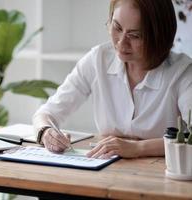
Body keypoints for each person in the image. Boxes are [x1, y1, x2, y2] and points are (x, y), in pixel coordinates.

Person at [33, 0, 192, 159]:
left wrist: (138, 148)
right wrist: (46, 132)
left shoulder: (182, 72)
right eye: (117, 27)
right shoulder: (98, 60)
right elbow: (46, 113)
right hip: (106, 169)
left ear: (159, 36)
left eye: (135, 35)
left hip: (162, 174)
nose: (121, 43)